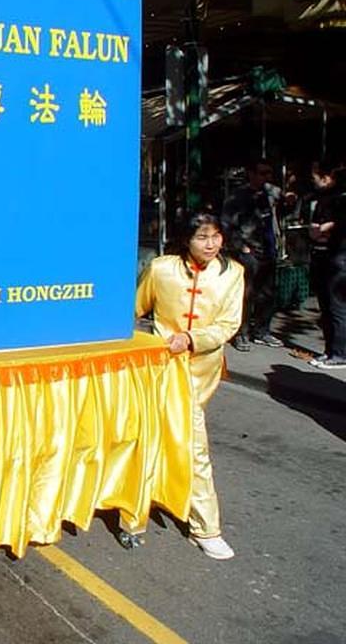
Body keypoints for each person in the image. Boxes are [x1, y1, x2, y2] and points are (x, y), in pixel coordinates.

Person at [132, 212, 243, 560]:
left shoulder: (234, 274)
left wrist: (192, 338)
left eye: (216, 236)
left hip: (200, 371)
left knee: (183, 441)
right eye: (201, 237)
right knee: (154, 437)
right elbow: (134, 308)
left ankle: (159, 516)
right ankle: (199, 526)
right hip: (161, 370)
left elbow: (228, 325)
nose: (210, 244)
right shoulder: (161, 269)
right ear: (186, 240)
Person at [222, 160, 283, 351]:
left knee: (268, 293)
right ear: (251, 174)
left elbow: (280, 213)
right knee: (246, 294)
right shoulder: (238, 197)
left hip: (268, 249)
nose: (267, 177)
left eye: (269, 173)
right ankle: (242, 332)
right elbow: (227, 224)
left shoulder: (269, 193)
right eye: (262, 173)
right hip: (250, 250)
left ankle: (262, 330)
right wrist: (241, 247)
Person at [307, 163, 346, 369]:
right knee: (326, 305)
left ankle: (340, 353)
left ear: (327, 177)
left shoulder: (341, 198)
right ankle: (330, 350)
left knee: (337, 305)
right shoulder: (320, 198)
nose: (313, 181)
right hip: (323, 254)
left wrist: (328, 227)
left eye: (315, 176)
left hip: (338, 256)